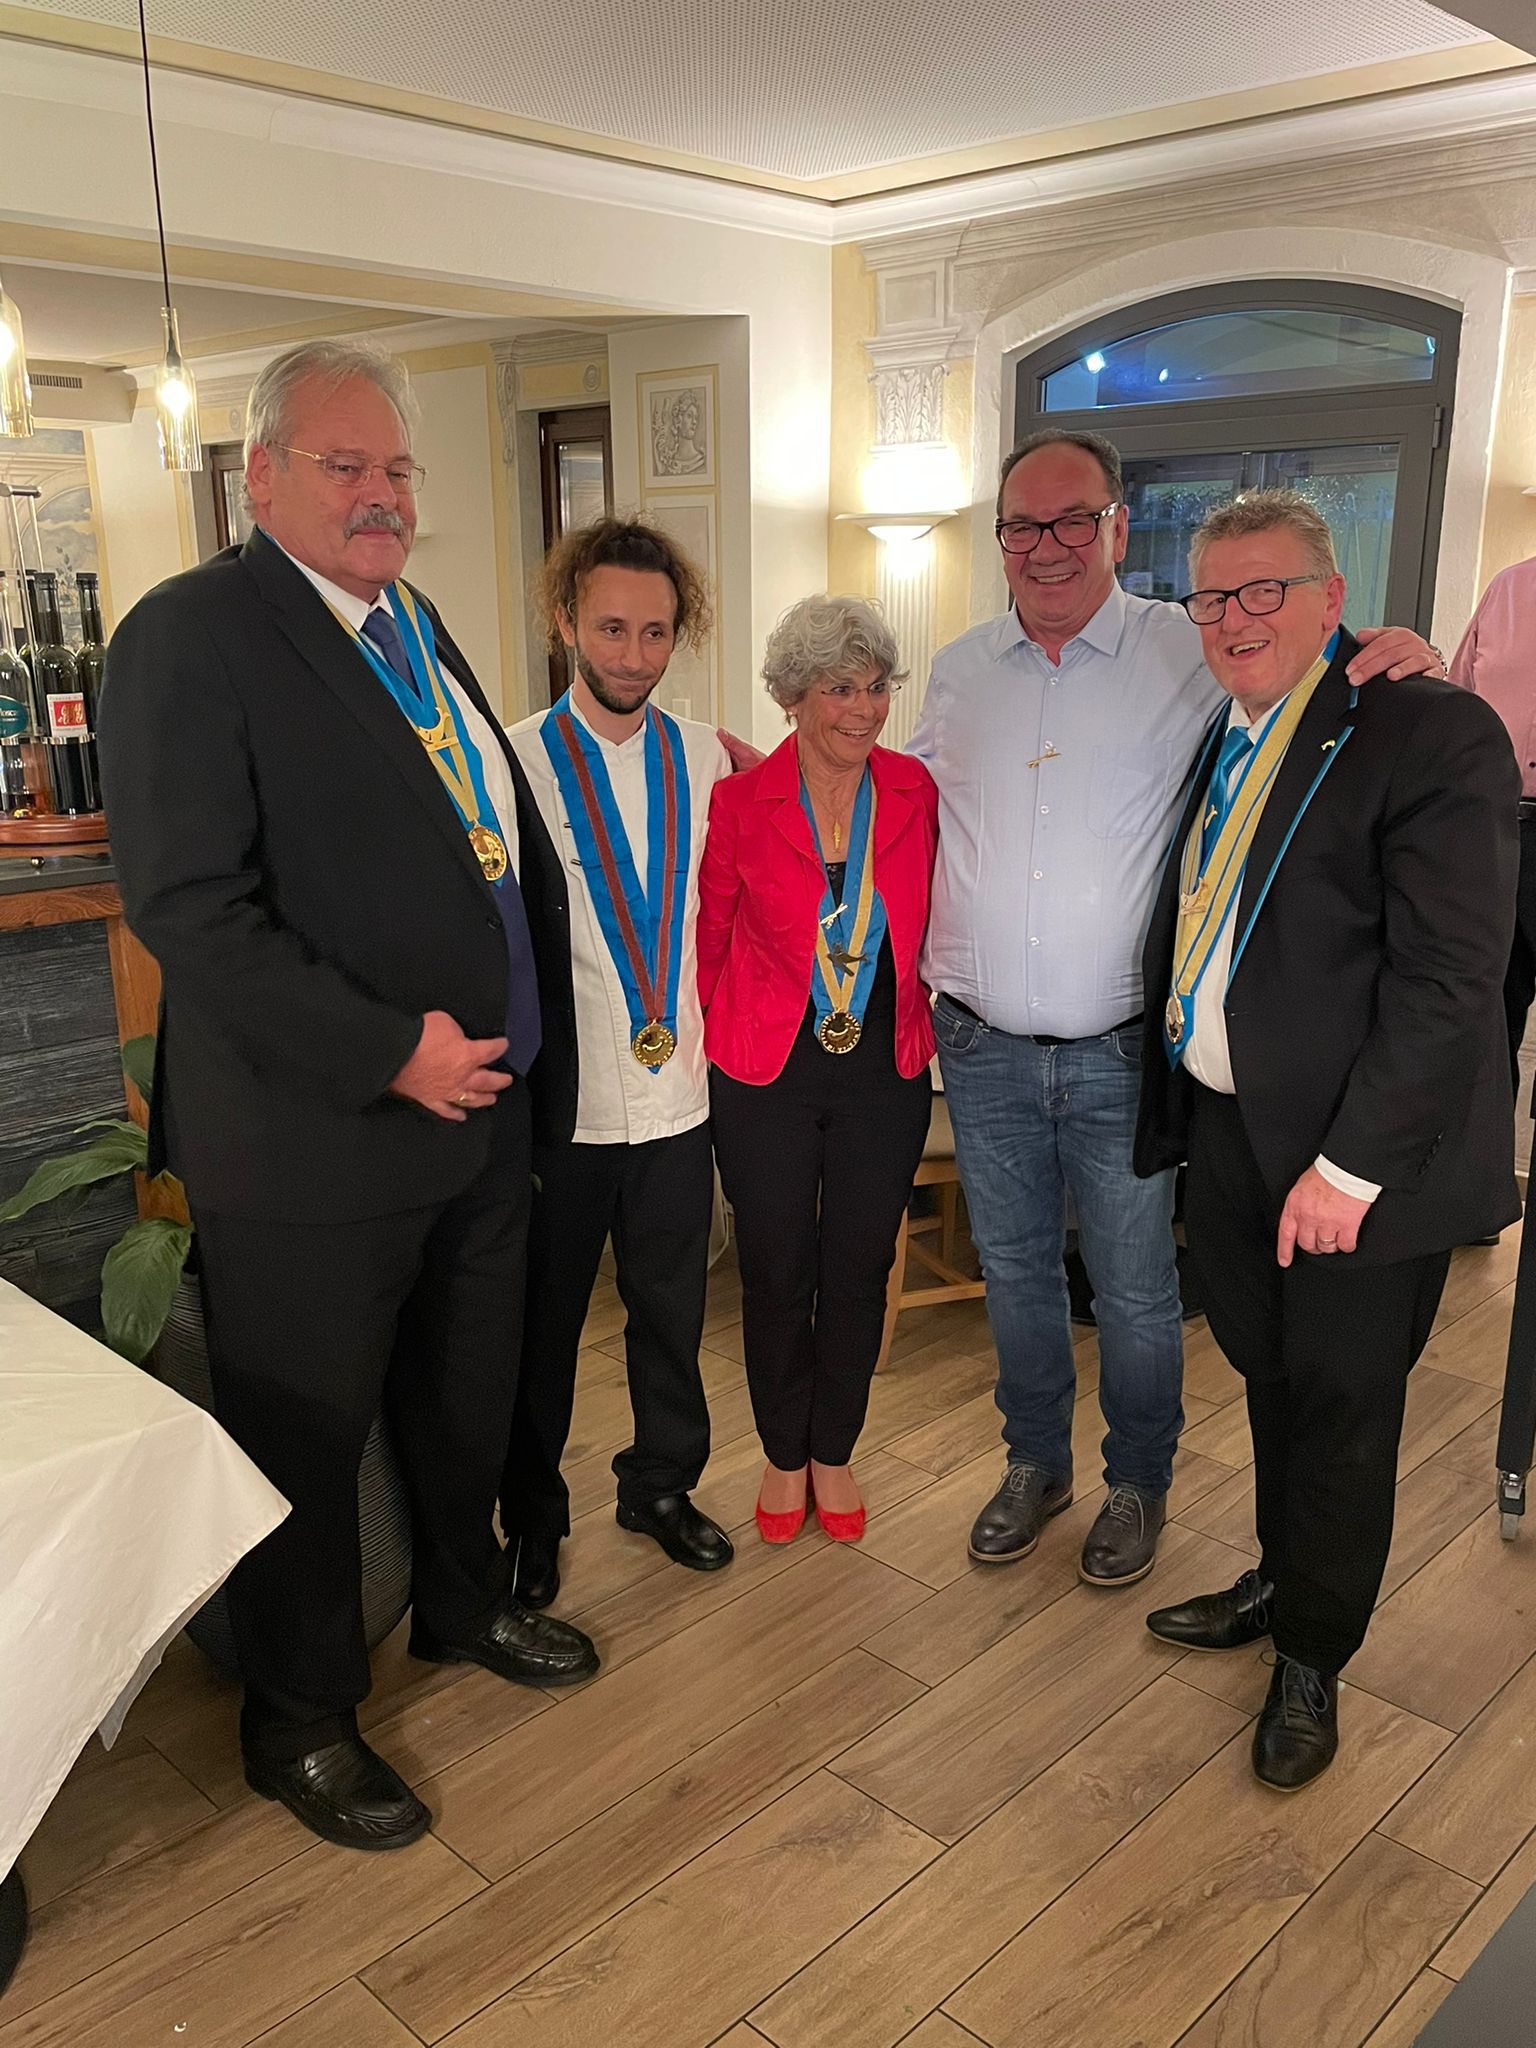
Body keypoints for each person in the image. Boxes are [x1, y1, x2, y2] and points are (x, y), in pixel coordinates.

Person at [97, 339, 598, 1855]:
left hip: (475, 1118)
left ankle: (458, 1605)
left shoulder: (411, 623)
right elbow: (189, 907)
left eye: (396, 469)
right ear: (260, 477)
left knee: (462, 1398)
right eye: (346, 465)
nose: (382, 494)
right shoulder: (189, 635)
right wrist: (391, 1050)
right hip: (315, 1141)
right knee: (303, 1444)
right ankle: (299, 1719)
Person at [912, 428, 1440, 1586]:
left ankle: (1138, 1479)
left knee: (1138, 1285)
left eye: (1073, 519)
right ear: (998, 538)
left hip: (1121, 1049)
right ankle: (1034, 1461)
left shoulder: (1186, 645)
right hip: (981, 1046)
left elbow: (1302, 675)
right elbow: (902, 800)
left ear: (1114, 525)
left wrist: (1395, 648)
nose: (1048, 545)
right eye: (1022, 525)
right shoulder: (957, 669)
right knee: (1015, 1273)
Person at [1136, 489, 1519, 1788]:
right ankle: (1280, 1574)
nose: (1235, 617)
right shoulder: (1229, 731)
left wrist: (1348, 1169)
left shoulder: (1430, 728)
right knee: (1270, 1377)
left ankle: (1313, 1653)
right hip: (1234, 1136)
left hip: (1358, 1164)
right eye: (1213, 596)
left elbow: (1450, 981)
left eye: (1267, 590)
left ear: (1331, 598)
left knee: (1346, 1409)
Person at [500, 520, 734, 1603]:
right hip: (566, 1104)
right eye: (610, 628)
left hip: (679, 1095)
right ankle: (532, 1518)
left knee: (672, 1313)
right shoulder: (510, 761)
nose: (634, 655)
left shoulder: (708, 756)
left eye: (654, 632)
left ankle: (660, 1485)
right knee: (543, 1329)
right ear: (565, 622)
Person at [698, 596, 938, 1544]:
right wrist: (716, 1041)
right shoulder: (740, 802)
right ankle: (781, 1452)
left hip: (883, 1063)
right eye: (840, 688)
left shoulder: (914, 790)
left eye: (876, 686)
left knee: (860, 1263)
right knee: (774, 1267)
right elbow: (713, 936)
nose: (864, 708)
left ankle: (833, 1449)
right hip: (766, 1066)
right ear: (793, 697)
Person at [1449, 549, 1536, 1092]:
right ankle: (1487, 1143)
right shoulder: (1509, 588)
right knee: (1485, 1026)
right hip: (1496, 830)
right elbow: (1458, 703)